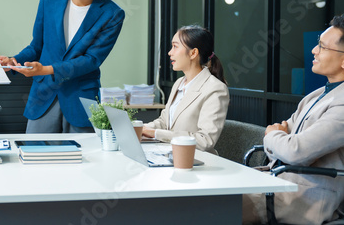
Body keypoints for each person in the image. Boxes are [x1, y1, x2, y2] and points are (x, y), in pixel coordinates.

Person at [0, 0, 125, 133]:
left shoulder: (111, 14)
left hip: (80, 99)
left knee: (84, 159)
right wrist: (13, 61)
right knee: (36, 156)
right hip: (43, 97)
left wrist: (47, 69)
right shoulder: (49, 1)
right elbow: (37, 46)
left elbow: (91, 60)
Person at [243, 15, 344, 225]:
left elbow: (296, 151)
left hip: (306, 198)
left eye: (323, 47)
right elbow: (285, 138)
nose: (314, 50)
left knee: (216, 204)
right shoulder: (316, 95)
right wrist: (280, 140)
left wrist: (274, 136)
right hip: (279, 181)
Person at [142, 25, 229, 154]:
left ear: (193, 53)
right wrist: (140, 128)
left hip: (196, 161)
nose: (170, 52)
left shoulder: (215, 89)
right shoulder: (179, 83)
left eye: (175, 46)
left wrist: (154, 133)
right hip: (169, 154)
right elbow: (164, 122)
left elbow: (205, 140)